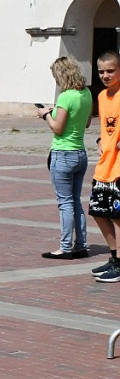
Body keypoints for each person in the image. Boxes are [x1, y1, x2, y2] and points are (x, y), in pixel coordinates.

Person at [36, 57, 92, 260]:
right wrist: (57, 113)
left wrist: (46, 115)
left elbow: (58, 129)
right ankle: (81, 244)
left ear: (62, 75)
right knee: (75, 201)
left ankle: (65, 247)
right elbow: (85, 123)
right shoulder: (85, 93)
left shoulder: (65, 96)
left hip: (63, 153)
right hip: (80, 152)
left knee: (65, 202)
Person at [88, 51, 120, 282]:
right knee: (99, 212)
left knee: (119, 215)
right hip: (104, 165)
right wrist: (101, 141)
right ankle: (114, 257)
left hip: (119, 166)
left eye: (111, 70)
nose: (106, 75)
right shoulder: (101, 96)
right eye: (101, 71)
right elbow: (105, 128)